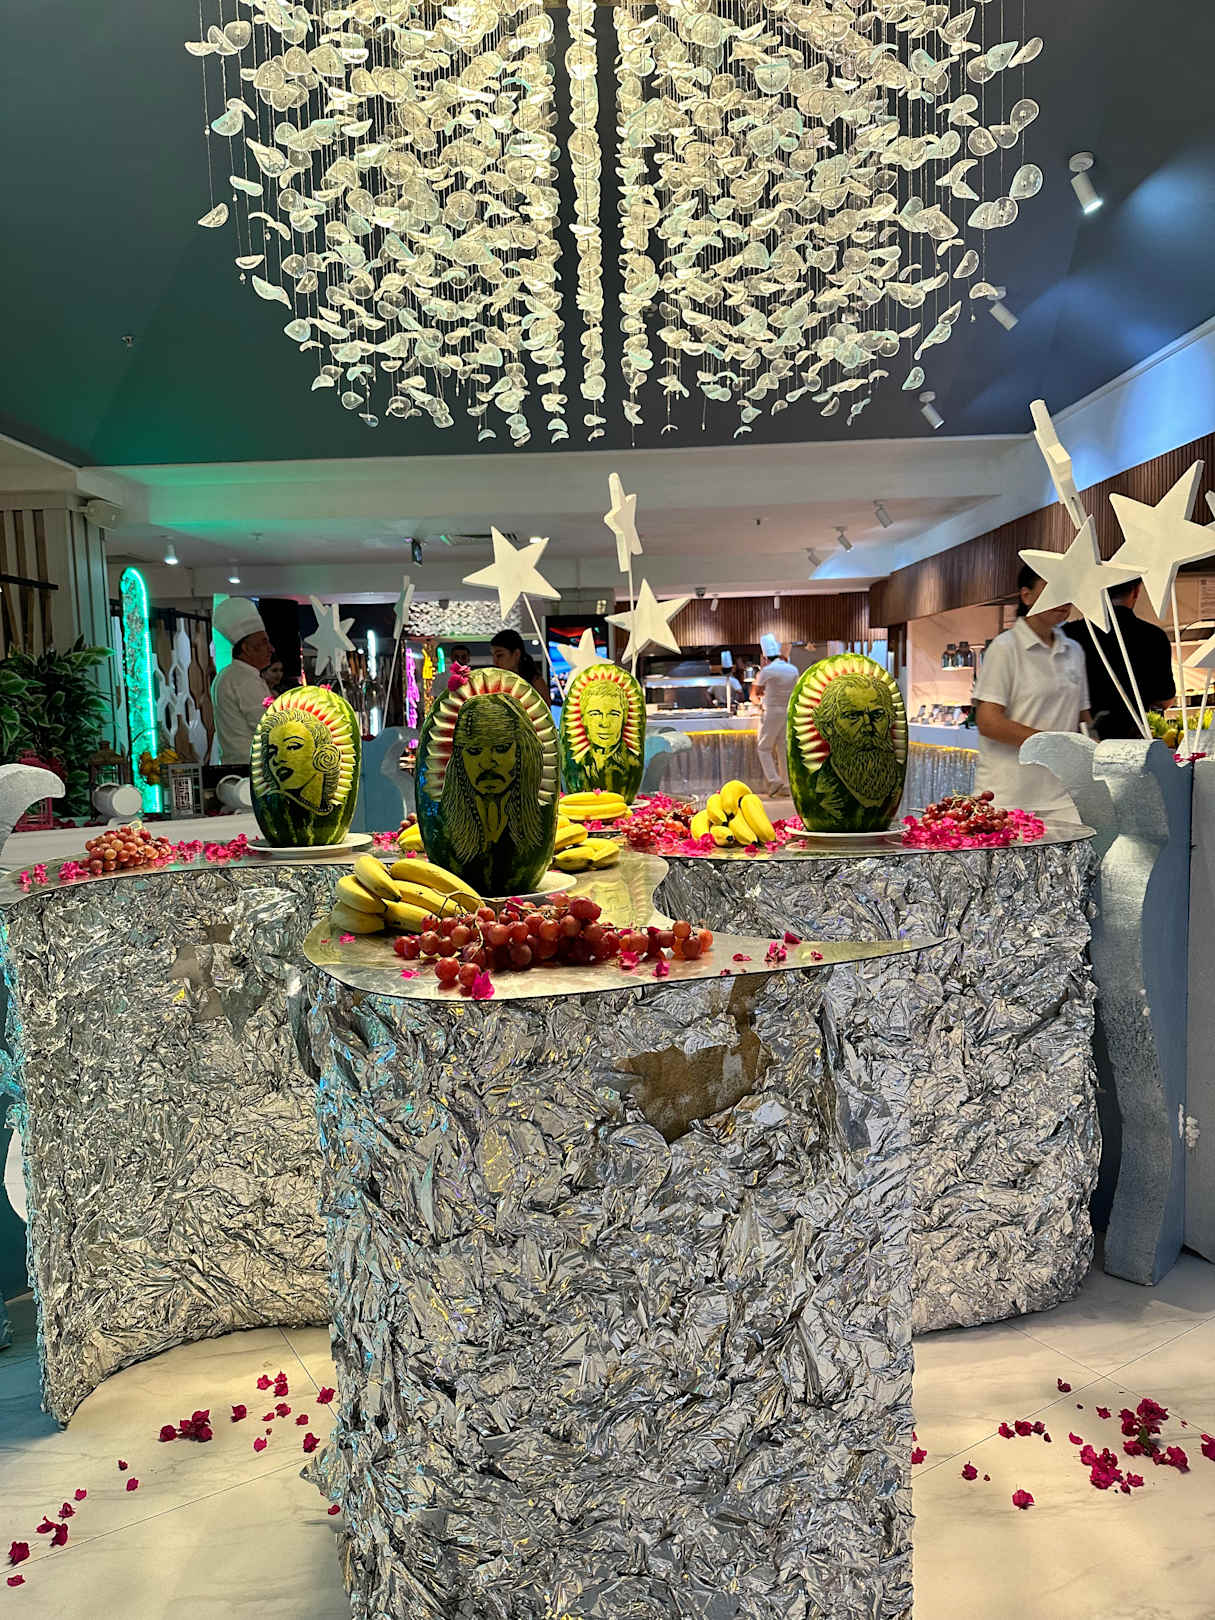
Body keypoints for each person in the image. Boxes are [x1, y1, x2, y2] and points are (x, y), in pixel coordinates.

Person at [972, 564, 1092, 820]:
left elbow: (1083, 719)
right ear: (1026, 596)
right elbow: (988, 721)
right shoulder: (1005, 648)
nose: (1064, 598)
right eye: (1054, 589)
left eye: (1068, 590)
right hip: (1008, 796)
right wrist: (1052, 744)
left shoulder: (1073, 650)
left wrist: (1096, 750)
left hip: (1063, 795)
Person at [439, 694, 546, 896]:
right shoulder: (445, 825)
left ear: (522, 752)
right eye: (474, 751)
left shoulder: (535, 820)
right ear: (459, 759)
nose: (487, 763)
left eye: (501, 748)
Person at [1064, 577, 1175, 739]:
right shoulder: (1154, 637)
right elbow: (1164, 699)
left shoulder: (1069, 635)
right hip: (1133, 739)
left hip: (1080, 738)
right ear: (1136, 591)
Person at [800, 671, 903, 831]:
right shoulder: (813, 789)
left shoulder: (897, 779)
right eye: (853, 716)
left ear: (890, 720)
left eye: (877, 715)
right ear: (827, 727)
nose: (868, 727)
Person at [210, 598, 274, 765]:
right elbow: (267, 726)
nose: (271, 649)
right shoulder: (245, 679)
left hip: (235, 765)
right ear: (246, 648)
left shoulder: (227, 675)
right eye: (264, 643)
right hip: (252, 768)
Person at [751, 634, 799, 795]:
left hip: (771, 712)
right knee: (782, 748)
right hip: (788, 712)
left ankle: (774, 780)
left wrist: (759, 703)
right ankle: (786, 785)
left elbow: (753, 695)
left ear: (765, 657)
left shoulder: (766, 671)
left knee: (763, 747)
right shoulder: (793, 669)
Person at [491, 628, 549, 703]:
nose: (495, 662)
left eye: (499, 655)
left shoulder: (536, 682)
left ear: (516, 654)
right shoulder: (495, 684)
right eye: (493, 655)